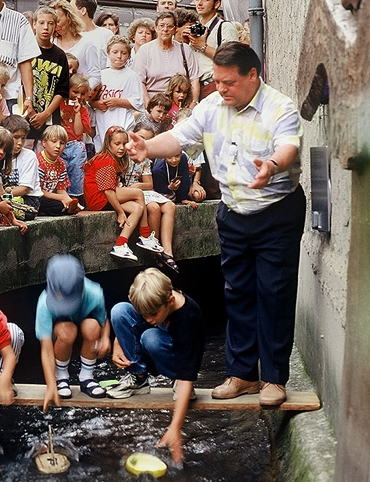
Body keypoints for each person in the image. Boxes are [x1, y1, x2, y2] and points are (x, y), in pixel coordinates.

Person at [127, 42, 306, 407]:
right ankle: (241, 374)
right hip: (232, 211)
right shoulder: (211, 106)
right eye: (217, 81)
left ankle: (273, 378)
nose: (220, 88)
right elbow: (179, 136)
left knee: (273, 293)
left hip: (276, 210)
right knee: (236, 293)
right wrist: (148, 149)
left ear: (252, 75)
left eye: (228, 82)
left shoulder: (280, 108)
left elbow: (289, 147)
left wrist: (271, 165)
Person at [109, 268, 206, 463]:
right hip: (151, 351)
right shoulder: (155, 303)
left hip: (178, 363)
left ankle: (174, 381)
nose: (147, 319)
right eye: (143, 314)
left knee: (150, 337)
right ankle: (139, 378)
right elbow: (134, 318)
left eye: (151, 314)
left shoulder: (189, 318)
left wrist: (174, 428)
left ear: (170, 302)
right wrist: (118, 343)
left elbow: (188, 375)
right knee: (119, 311)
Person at [37, 255, 111, 411]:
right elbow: (46, 347)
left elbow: (103, 320)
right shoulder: (44, 303)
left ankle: (86, 377)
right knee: (68, 330)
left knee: (93, 326)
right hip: (63, 335)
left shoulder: (94, 292)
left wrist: (105, 338)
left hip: (86, 333)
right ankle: (61, 377)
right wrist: (50, 384)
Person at [83, 125, 162, 260]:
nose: (121, 147)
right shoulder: (106, 160)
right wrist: (120, 212)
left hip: (104, 197)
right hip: (99, 197)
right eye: (117, 144)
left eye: (124, 144)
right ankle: (145, 235)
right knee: (138, 193)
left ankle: (121, 244)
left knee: (137, 208)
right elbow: (108, 191)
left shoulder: (113, 159)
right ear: (109, 143)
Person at [126, 123, 179, 272]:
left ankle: (167, 251)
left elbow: (148, 184)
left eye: (147, 140)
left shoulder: (145, 159)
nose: (142, 143)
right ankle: (154, 251)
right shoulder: (123, 154)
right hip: (126, 193)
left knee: (170, 205)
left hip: (140, 191)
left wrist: (137, 186)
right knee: (154, 207)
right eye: (141, 138)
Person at [132, 11, 201, 106]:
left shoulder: (184, 49)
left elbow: (194, 78)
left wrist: (194, 102)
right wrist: (148, 103)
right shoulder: (145, 50)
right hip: (154, 104)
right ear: (156, 28)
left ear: (175, 29)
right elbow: (139, 80)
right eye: (161, 25)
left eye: (169, 26)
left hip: (180, 104)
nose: (165, 29)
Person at [188, 0, 239, 98]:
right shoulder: (194, 28)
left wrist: (203, 47)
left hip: (214, 86)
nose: (199, 3)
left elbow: (231, 60)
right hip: (192, 89)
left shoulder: (225, 27)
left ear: (217, 4)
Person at [92, 35, 144, 148]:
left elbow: (138, 103)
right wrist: (96, 103)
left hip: (123, 120)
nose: (119, 56)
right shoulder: (100, 75)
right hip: (103, 120)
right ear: (108, 53)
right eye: (115, 52)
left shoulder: (132, 76)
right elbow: (89, 99)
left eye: (123, 53)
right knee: (103, 148)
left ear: (129, 55)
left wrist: (118, 102)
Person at [29, 6, 71, 140]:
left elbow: (62, 90)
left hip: (50, 117)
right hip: (26, 112)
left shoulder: (60, 55)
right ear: (34, 24)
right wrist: (30, 110)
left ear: (55, 26)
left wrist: (46, 114)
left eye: (50, 23)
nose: (46, 27)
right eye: (41, 23)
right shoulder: (25, 49)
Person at [0, 115, 43, 218]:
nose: (19, 143)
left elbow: (24, 189)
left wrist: (3, 197)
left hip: (27, 198)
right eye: (15, 137)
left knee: (24, 211)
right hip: (5, 197)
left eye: (23, 138)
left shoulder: (29, 156)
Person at [59, 73, 91, 201]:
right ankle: (62, 196)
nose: (78, 96)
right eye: (75, 92)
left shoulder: (83, 110)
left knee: (76, 166)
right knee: (62, 169)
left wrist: (77, 113)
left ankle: (76, 196)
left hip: (73, 143)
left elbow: (78, 133)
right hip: (59, 143)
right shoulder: (60, 103)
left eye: (82, 94)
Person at [36, 125, 79, 216]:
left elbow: (61, 189)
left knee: (64, 205)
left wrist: (69, 201)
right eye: (54, 142)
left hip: (52, 196)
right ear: (44, 142)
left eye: (62, 143)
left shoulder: (61, 163)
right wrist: (61, 198)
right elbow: (38, 190)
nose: (58, 146)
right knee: (56, 206)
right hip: (38, 196)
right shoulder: (38, 161)